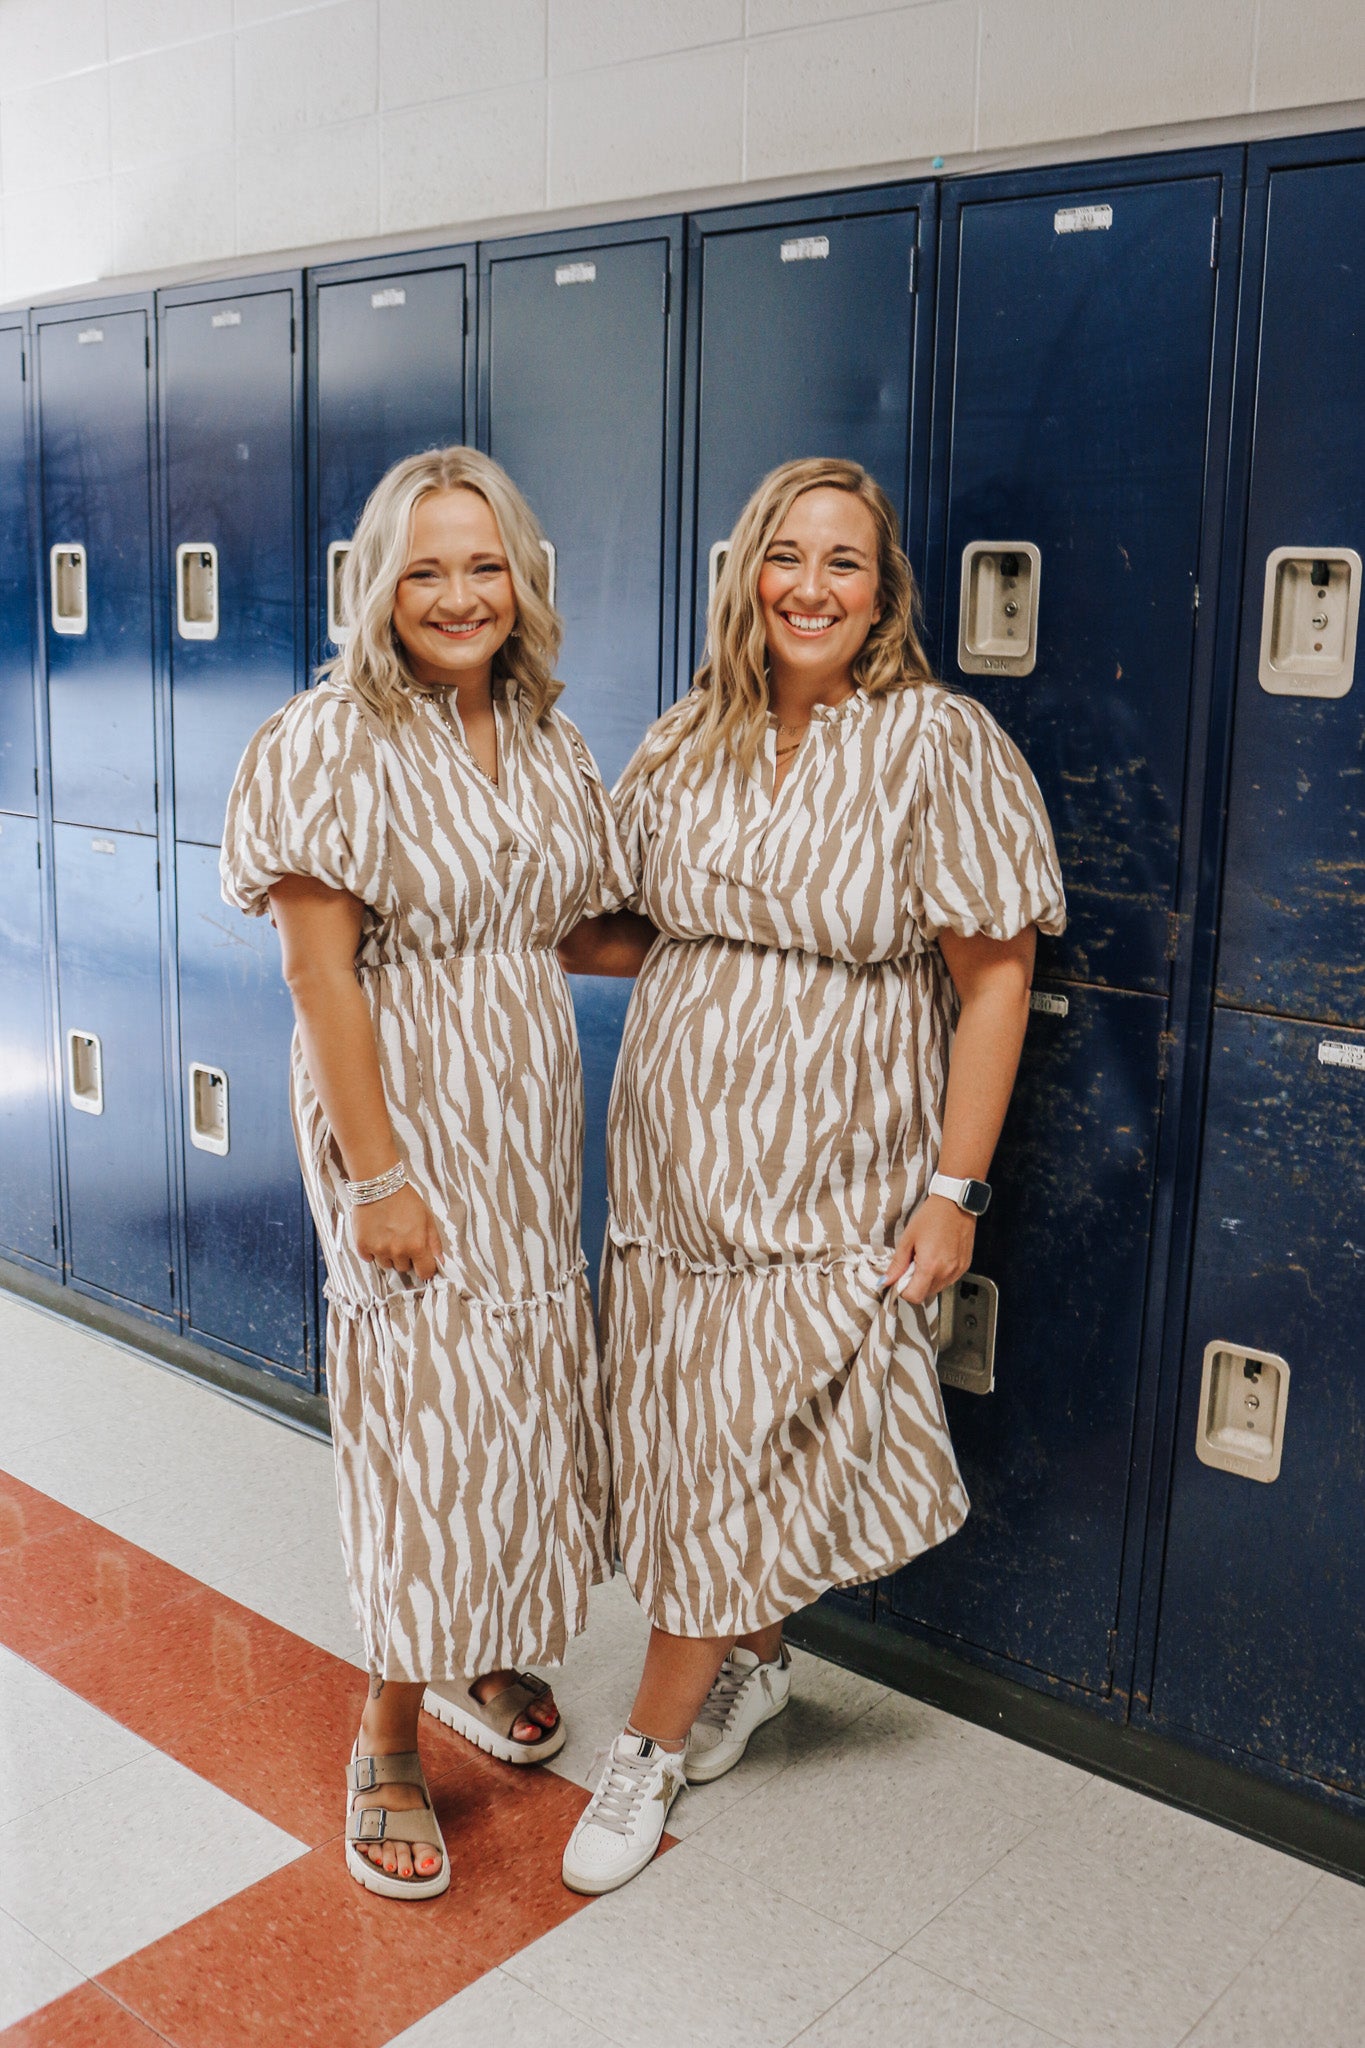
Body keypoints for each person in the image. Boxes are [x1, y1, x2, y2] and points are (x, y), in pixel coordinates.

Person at [557, 456, 1066, 1895]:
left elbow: (993, 978)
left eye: (844, 561)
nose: (810, 586)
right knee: (709, 1443)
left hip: (829, 1177)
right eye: (787, 555)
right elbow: (625, 931)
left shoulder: (936, 743)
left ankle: (646, 1751)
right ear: (747, 574)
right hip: (672, 1184)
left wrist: (953, 1192)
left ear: (883, 590)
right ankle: (761, 1658)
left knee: (730, 1452)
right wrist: (463, 924)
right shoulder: (690, 733)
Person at [221, 447, 642, 1901]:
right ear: (378, 588)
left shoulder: (538, 734)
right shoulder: (331, 737)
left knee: (515, 1395)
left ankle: (470, 1647)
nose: (458, 596)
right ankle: (388, 1733)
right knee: (419, 1416)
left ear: (521, 579)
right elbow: (318, 971)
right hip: (400, 1108)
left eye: (483, 566)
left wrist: (743, 944)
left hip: (524, 1115)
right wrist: (381, 1176)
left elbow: (573, 930)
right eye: (425, 569)